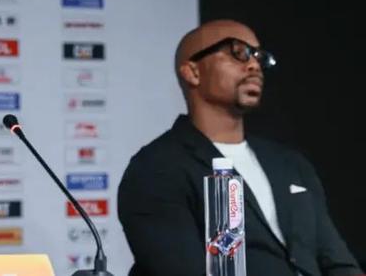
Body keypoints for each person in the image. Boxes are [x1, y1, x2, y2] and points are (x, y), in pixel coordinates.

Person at [118, 20, 363, 276]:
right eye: (238, 52)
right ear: (193, 72)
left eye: (258, 56)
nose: (254, 65)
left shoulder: (290, 164)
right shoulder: (157, 168)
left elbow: (338, 263)